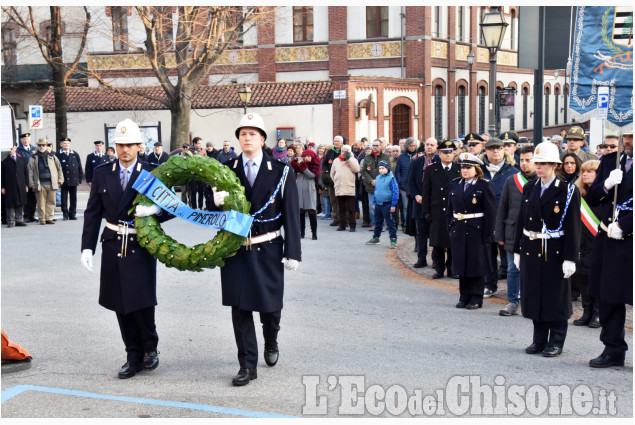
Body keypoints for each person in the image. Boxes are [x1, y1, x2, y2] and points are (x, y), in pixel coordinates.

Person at [210, 113, 301, 386]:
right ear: (238, 139)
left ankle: (271, 339)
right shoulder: (226, 168)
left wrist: (293, 251)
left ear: (262, 139)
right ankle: (247, 365)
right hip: (235, 249)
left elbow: (290, 214)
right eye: (242, 134)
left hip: (268, 247)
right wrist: (215, 201)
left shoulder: (282, 171)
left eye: (252, 134)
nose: (247, 138)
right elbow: (218, 213)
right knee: (240, 309)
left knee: (270, 309)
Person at [80, 118, 170, 379]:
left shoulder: (151, 171)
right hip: (112, 242)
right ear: (114, 146)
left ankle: (150, 350)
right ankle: (132, 355)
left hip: (139, 243)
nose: (125, 150)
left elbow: (172, 207)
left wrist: (156, 210)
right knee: (120, 303)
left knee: (142, 301)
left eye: (130, 144)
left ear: (140, 146)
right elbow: (92, 212)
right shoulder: (101, 172)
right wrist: (87, 248)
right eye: (120, 145)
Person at [513, 142, 581, 357]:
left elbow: (573, 227)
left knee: (556, 296)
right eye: (537, 163)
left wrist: (570, 258)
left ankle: (557, 341)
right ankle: (539, 339)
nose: (538, 167)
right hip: (532, 247)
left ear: (554, 165)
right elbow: (521, 221)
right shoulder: (530, 187)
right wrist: (517, 250)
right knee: (535, 294)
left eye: (542, 163)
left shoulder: (568, 191)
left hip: (555, 249)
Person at [586, 130, 632, 368]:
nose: (628, 141)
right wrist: (605, 184)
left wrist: (626, 226)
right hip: (608, 236)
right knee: (608, 296)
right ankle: (613, 348)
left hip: (629, 238)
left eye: (633, 137)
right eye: (627, 137)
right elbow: (592, 197)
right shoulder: (610, 161)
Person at [447, 152, 496, 309]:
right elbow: (450, 209)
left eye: (468, 168)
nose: (465, 171)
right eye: (462, 168)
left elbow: (491, 212)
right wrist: (451, 225)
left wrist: (487, 234)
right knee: (462, 263)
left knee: (476, 264)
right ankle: (464, 295)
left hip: (477, 229)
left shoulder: (484, 185)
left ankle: (476, 297)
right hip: (459, 229)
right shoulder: (455, 184)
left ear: (477, 169)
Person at [495, 145, 538, 316]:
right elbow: (502, 208)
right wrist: (499, 234)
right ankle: (512, 301)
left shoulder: (542, 181)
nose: (525, 163)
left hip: (535, 234)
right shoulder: (512, 181)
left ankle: (532, 302)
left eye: (529, 160)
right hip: (512, 232)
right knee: (513, 268)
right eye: (522, 160)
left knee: (534, 270)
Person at [480, 137, 517, 297]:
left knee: (508, 257)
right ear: (486, 150)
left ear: (504, 150)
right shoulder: (479, 170)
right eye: (491, 148)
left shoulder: (513, 171)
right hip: (485, 220)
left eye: (499, 148)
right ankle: (490, 284)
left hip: (506, 221)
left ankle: (514, 288)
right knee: (488, 255)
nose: (495, 151)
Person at [422, 140, 461, 278]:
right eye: (445, 152)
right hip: (437, 210)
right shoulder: (432, 169)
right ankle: (439, 268)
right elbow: (426, 192)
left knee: (453, 241)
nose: (448, 155)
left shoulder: (459, 169)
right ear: (439, 153)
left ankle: (452, 268)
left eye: (450, 152)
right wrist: (426, 211)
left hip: (454, 210)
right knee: (437, 242)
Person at [572, 159, 602, 328]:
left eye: (590, 171)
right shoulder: (578, 194)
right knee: (583, 276)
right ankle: (587, 311)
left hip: (597, 242)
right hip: (582, 242)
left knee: (595, 277)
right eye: (584, 171)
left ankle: (597, 313)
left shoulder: (605, 195)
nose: (585, 174)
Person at [407, 141, 437, 267]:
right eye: (427, 144)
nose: (429, 146)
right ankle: (421, 258)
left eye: (432, 145)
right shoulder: (417, 162)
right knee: (421, 232)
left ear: (436, 147)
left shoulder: (439, 161)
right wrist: (416, 195)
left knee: (435, 233)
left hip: (435, 203)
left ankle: (436, 260)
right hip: (419, 202)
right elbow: (410, 180)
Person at [28, 138, 64, 225]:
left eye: (43, 145)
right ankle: (42, 219)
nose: (41, 147)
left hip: (52, 183)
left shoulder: (52, 156)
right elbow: (30, 172)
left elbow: (59, 169)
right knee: (41, 203)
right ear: (37, 146)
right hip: (39, 184)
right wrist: (32, 184)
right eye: (39, 145)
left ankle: (49, 218)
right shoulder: (33, 158)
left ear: (46, 146)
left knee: (51, 202)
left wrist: (60, 180)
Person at [366, 160, 399, 248]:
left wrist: (393, 204)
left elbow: (395, 192)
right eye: (380, 168)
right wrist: (374, 202)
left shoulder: (391, 178)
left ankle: (393, 239)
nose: (381, 170)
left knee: (390, 223)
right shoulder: (378, 178)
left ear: (387, 168)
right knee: (378, 222)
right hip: (378, 204)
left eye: (383, 168)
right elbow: (376, 191)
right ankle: (376, 237)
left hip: (387, 204)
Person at [290, 146, 321, 240]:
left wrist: (303, 166)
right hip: (299, 190)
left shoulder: (315, 165)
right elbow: (294, 170)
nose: (307, 158)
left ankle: (314, 233)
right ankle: (301, 232)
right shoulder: (301, 165)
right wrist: (295, 163)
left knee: (311, 212)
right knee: (300, 212)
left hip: (309, 190)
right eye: (305, 156)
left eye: (309, 156)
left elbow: (311, 175)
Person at [361, 139, 391, 232]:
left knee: (382, 205)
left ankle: (381, 225)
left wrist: (378, 181)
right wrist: (370, 181)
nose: (375, 147)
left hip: (382, 186)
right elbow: (364, 171)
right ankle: (374, 224)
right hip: (371, 186)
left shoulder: (385, 157)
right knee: (371, 206)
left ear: (381, 146)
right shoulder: (367, 157)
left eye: (377, 145)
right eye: (373, 145)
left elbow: (388, 170)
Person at [331, 144, 361, 232]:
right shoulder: (336, 160)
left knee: (351, 208)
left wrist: (349, 159)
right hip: (339, 187)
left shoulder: (353, 160)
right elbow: (332, 174)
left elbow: (357, 169)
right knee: (341, 208)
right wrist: (336, 181)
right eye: (342, 151)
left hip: (349, 187)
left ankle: (352, 226)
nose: (344, 153)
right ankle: (342, 225)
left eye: (346, 151)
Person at [1, 145, 30, 227]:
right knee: (10, 204)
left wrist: (26, 185)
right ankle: (10, 221)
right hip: (9, 185)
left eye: (12, 148)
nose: (11, 149)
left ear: (15, 148)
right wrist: (2, 187)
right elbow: (1, 175)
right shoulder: (4, 160)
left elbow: (25, 173)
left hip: (21, 184)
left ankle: (19, 220)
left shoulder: (22, 159)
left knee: (20, 202)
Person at [56, 136, 83, 220]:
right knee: (64, 198)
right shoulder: (58, 154)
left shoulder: (74, 154)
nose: (66, 145)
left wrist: (79, 178)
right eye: (64, 143)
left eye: (68, 143)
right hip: (63, 180)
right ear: (61, 144)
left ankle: (73, 214)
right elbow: (56, 168)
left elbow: (79, 166)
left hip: (73, 179)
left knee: (73, 198)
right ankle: (65, 214)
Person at [395, 137, 417, 232]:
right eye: (411, 146)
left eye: (414, 146)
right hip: (404, 186)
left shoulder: (418, 156)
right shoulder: (402, 157)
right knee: (405, 206)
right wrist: (400, 181)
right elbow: (398, 170)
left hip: (415, 185)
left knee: (414, 206)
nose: (412, 148)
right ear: (407, 146)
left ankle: (414, 224)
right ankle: (406, 224)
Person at [17, 132, 38, 222]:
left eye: (27, 139)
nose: (26, 140)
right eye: (24, 139)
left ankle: (32, 215)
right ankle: (25, 215)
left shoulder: (34, 149)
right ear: (21, 140)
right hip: (24, 176)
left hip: (34, 176)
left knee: (33, 198)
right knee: (25, 197)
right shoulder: (19, 150)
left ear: (29, 139)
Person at [322, 136, 343, 227]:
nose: (336, 142)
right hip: (332, 180)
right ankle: (336, 218)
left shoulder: (344, 151)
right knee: (333, 200)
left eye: (338, 141)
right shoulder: (330, 152)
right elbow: (324, 163)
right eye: (335, 141)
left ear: (342, 142)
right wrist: (326, 170)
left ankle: (344, 219)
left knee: (342, 200)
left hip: (342, 180)